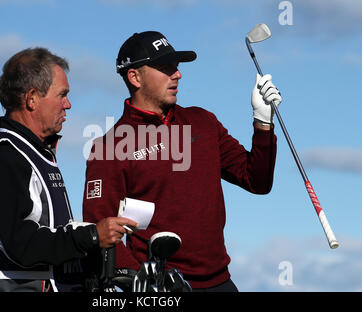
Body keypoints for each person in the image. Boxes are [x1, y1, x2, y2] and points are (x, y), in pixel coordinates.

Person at [82, 31, 282, 292]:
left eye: (176, 67)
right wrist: (142, 283)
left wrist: (263, 123)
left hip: (221, 282)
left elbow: (257, 180)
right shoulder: (108, 148)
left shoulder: (203, 122)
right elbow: (101, 232)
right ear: (135, 77)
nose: (177, 74)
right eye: (165, 68)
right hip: (160, 289)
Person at [0, 47, 137, 292]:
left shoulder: (35, 151)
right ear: (32, 98)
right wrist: (91, 237)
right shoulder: (5, 157)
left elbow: (51, 233)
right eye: (62, 95)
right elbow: (21, 245)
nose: (68, 104)